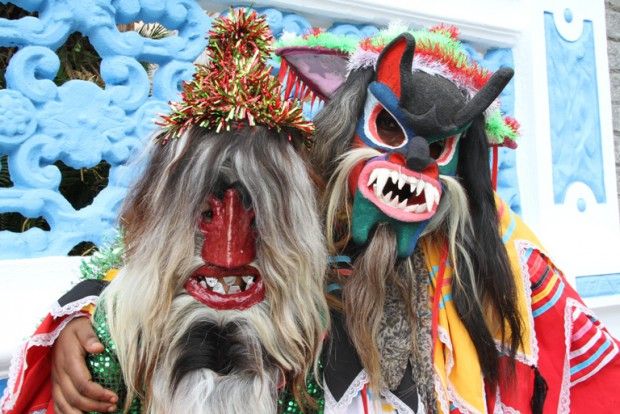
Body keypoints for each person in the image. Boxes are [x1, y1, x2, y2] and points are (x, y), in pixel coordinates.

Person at [1, 9, 328, 413]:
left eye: (256, 211)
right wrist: (81, 312)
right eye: (205, 211)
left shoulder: (320, 322)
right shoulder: (115, 328)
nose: (230, 254)